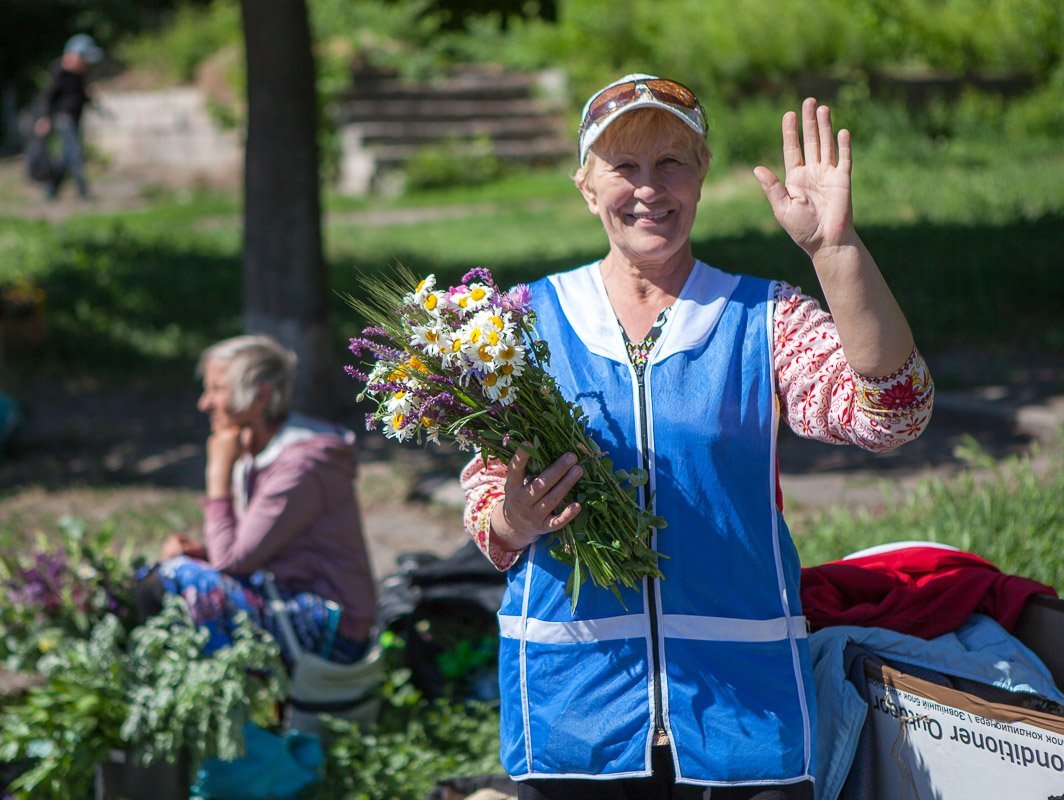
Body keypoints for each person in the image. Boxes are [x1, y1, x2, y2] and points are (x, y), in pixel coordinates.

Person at [458, 74, 935, 799]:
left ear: (703, 176)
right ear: (587, 188)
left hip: (741, 708)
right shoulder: (521, 320)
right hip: (576, 709)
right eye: (624, 167)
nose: (649, 188)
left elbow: (892, 415)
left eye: (672, 163)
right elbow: (487, 494)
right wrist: (510, 518)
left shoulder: (763, 316)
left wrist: (836, 252)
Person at [139, 335, 377, 667]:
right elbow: (251, 554)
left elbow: (232, 563)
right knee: (151, 576)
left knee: (178, 578)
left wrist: (218, 474)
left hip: (336, 627)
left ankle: (235, 702)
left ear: (261, 394)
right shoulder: (259, 450)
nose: (204, 403)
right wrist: (203, 554)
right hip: (287, 597)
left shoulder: (302, 464)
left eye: (217, 389)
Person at [33, 34, 104, 201]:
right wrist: (44, 118)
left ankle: (51, 190)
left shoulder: (79, 75)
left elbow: (79, 96)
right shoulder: (59, 73)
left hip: (74, 117)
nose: (87, 63)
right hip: (62, 118)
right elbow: (48, 97)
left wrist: (92, 102)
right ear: (73, 56)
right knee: (75, 152)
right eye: (84, 58)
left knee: (66, 157)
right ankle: (83, 191)